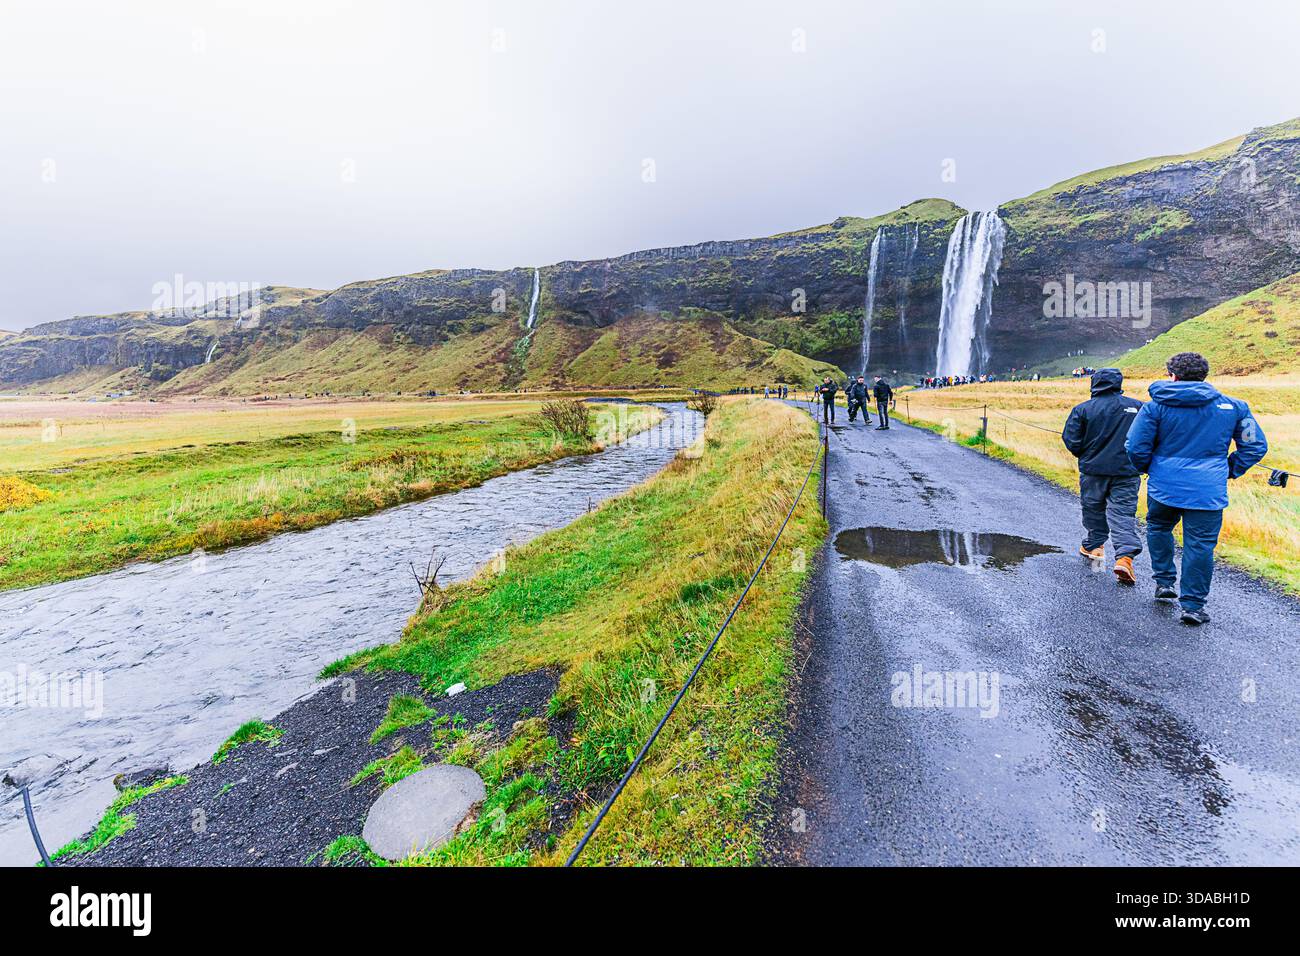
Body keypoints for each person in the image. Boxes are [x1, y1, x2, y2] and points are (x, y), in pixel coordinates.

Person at [1125, 352, 1268, 626]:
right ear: (1204, 375)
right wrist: (1229, 469)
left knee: (1158, 528)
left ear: (1172, 375)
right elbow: (1255, 446)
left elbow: (1134, 446)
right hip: (1207, 491)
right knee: (1200, 545)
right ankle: (1192, 606)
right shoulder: (1235, 407)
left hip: (1163, 487)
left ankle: (1164, 581)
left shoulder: (1154, 407)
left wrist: (1148, 468)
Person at [1061, 368, 1143, 584]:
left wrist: (1085, 454)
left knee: (1093, 506)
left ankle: (1095, 546)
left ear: (1094, 384)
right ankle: (1125, 557)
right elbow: (1148, 437)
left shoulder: (1083, 409)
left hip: (1093, 470)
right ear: (1118, 383)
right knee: (1123, 513)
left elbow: (1071, 439)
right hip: (1127, 471)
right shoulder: (1137, 407)